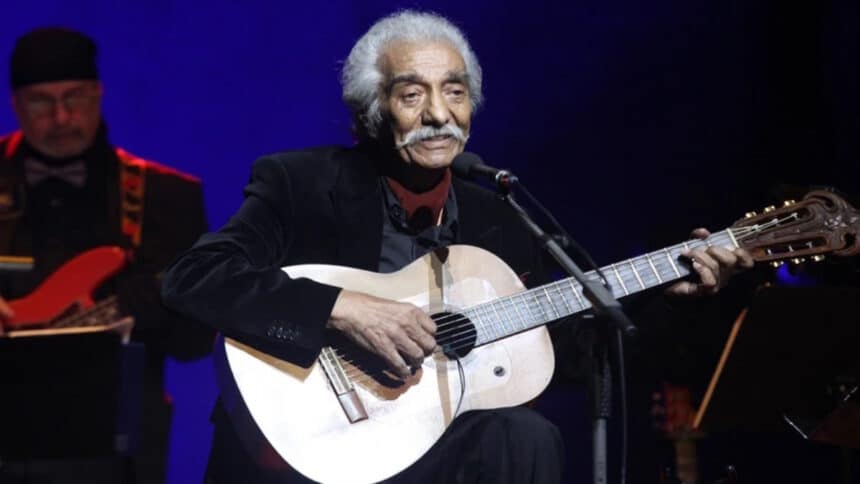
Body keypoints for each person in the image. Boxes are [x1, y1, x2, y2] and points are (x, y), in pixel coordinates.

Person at [161, 10, 753, 484]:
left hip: (437, 453)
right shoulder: (303, 184)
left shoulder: (501, 214)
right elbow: (194, 278)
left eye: (455, 92)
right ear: (372, 111)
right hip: (306, 450)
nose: (439, 114)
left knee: (526, 435)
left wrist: (669, 292)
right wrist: (342, 308)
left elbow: (565, 354)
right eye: (411, 95)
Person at [0, 28, 212, 483]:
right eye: (41, 101)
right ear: (15, 104)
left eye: (74, 97)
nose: (61, 117)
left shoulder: (166, 196)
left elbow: (195, 345)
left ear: (99, 93)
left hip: (115, 456)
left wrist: (158, 311)